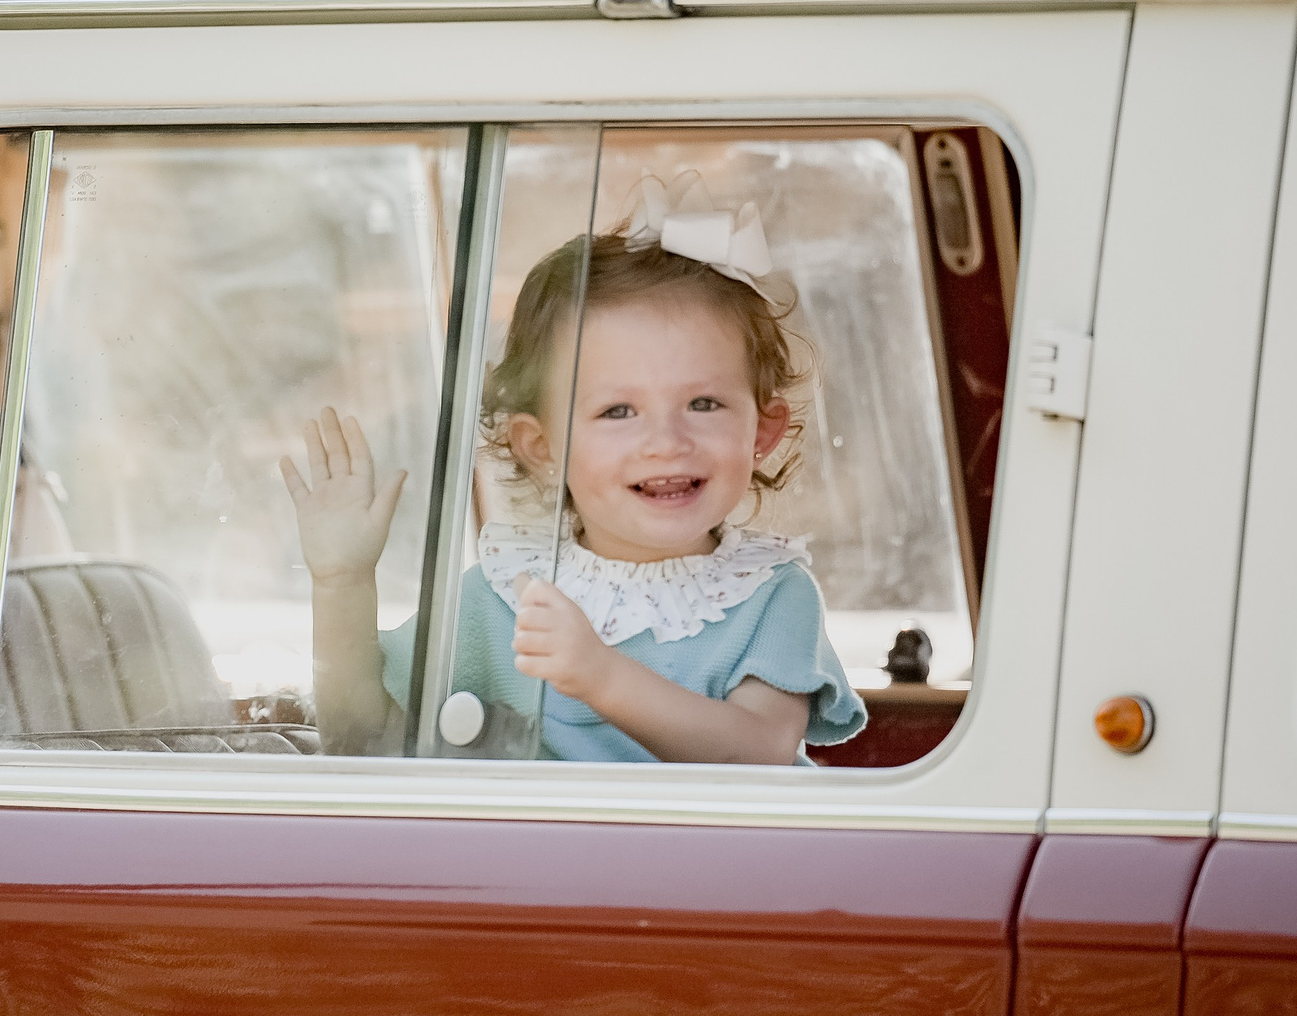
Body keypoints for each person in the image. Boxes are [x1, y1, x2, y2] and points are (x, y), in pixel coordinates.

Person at [282, 177, 865, 764]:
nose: (665, 441)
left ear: (761, 431)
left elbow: (759, 750)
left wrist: (600, 676)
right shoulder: (502, 596)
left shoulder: (774, 595)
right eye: (617, 411)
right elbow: (364, 742)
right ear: (541, 447)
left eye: (704, 404)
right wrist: (342, 583)